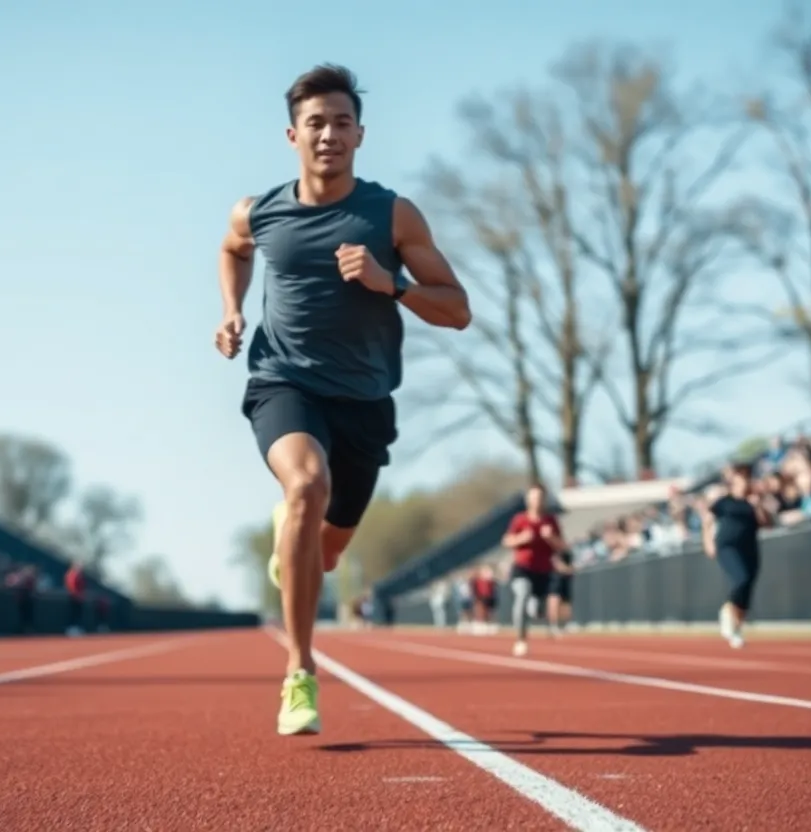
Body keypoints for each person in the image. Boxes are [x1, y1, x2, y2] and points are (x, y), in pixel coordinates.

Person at [214, 64, 471, 735]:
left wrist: (393, 284)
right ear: (292, 135)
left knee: (325, 553)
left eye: (341, 122)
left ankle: (296, 535)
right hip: (284, 383)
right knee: (306, 484)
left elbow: (458, 310)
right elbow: (233, 248)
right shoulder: (259, 211)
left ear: (360, 134)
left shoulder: (392, 214)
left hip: (365, 400)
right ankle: (300, 673)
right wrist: (232, 310)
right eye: (316, 123)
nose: (328, 134)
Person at [701, 463, 769, 649]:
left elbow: (766, 523)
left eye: (747, 479)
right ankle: (727, 611)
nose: (744, 483)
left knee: (747, 588)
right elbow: (707, 520)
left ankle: (736, 630)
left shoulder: (753, 502)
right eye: (741, 480)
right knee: (741, 578)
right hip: (728, 547)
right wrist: (708, 541)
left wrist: (758, 506)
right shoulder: (724, 502)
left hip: (749, 547)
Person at [502, 483, 571, 657]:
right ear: (528, 499)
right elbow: (507, 541)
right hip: (522, 568)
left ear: (544, 499)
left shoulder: (551, 521)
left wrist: (551, 537)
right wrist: (521, 538)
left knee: (538, 612)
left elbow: (563, 547)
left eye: (540, 497)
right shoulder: (519, 519)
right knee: (522, 593)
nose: (536, 501)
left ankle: (534, 608)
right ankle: (521, 640)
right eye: (533, 497)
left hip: (543, 571)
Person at [546, 546, 575, 636]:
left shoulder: (566, 550)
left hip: (565, 579)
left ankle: (565, 625)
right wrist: (565, 569)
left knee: (566, 603)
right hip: (554, 579)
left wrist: (569, 569)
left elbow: (571, 565)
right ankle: (553, 626)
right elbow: (555, 563)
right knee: (554, 600)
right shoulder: (552, 550)